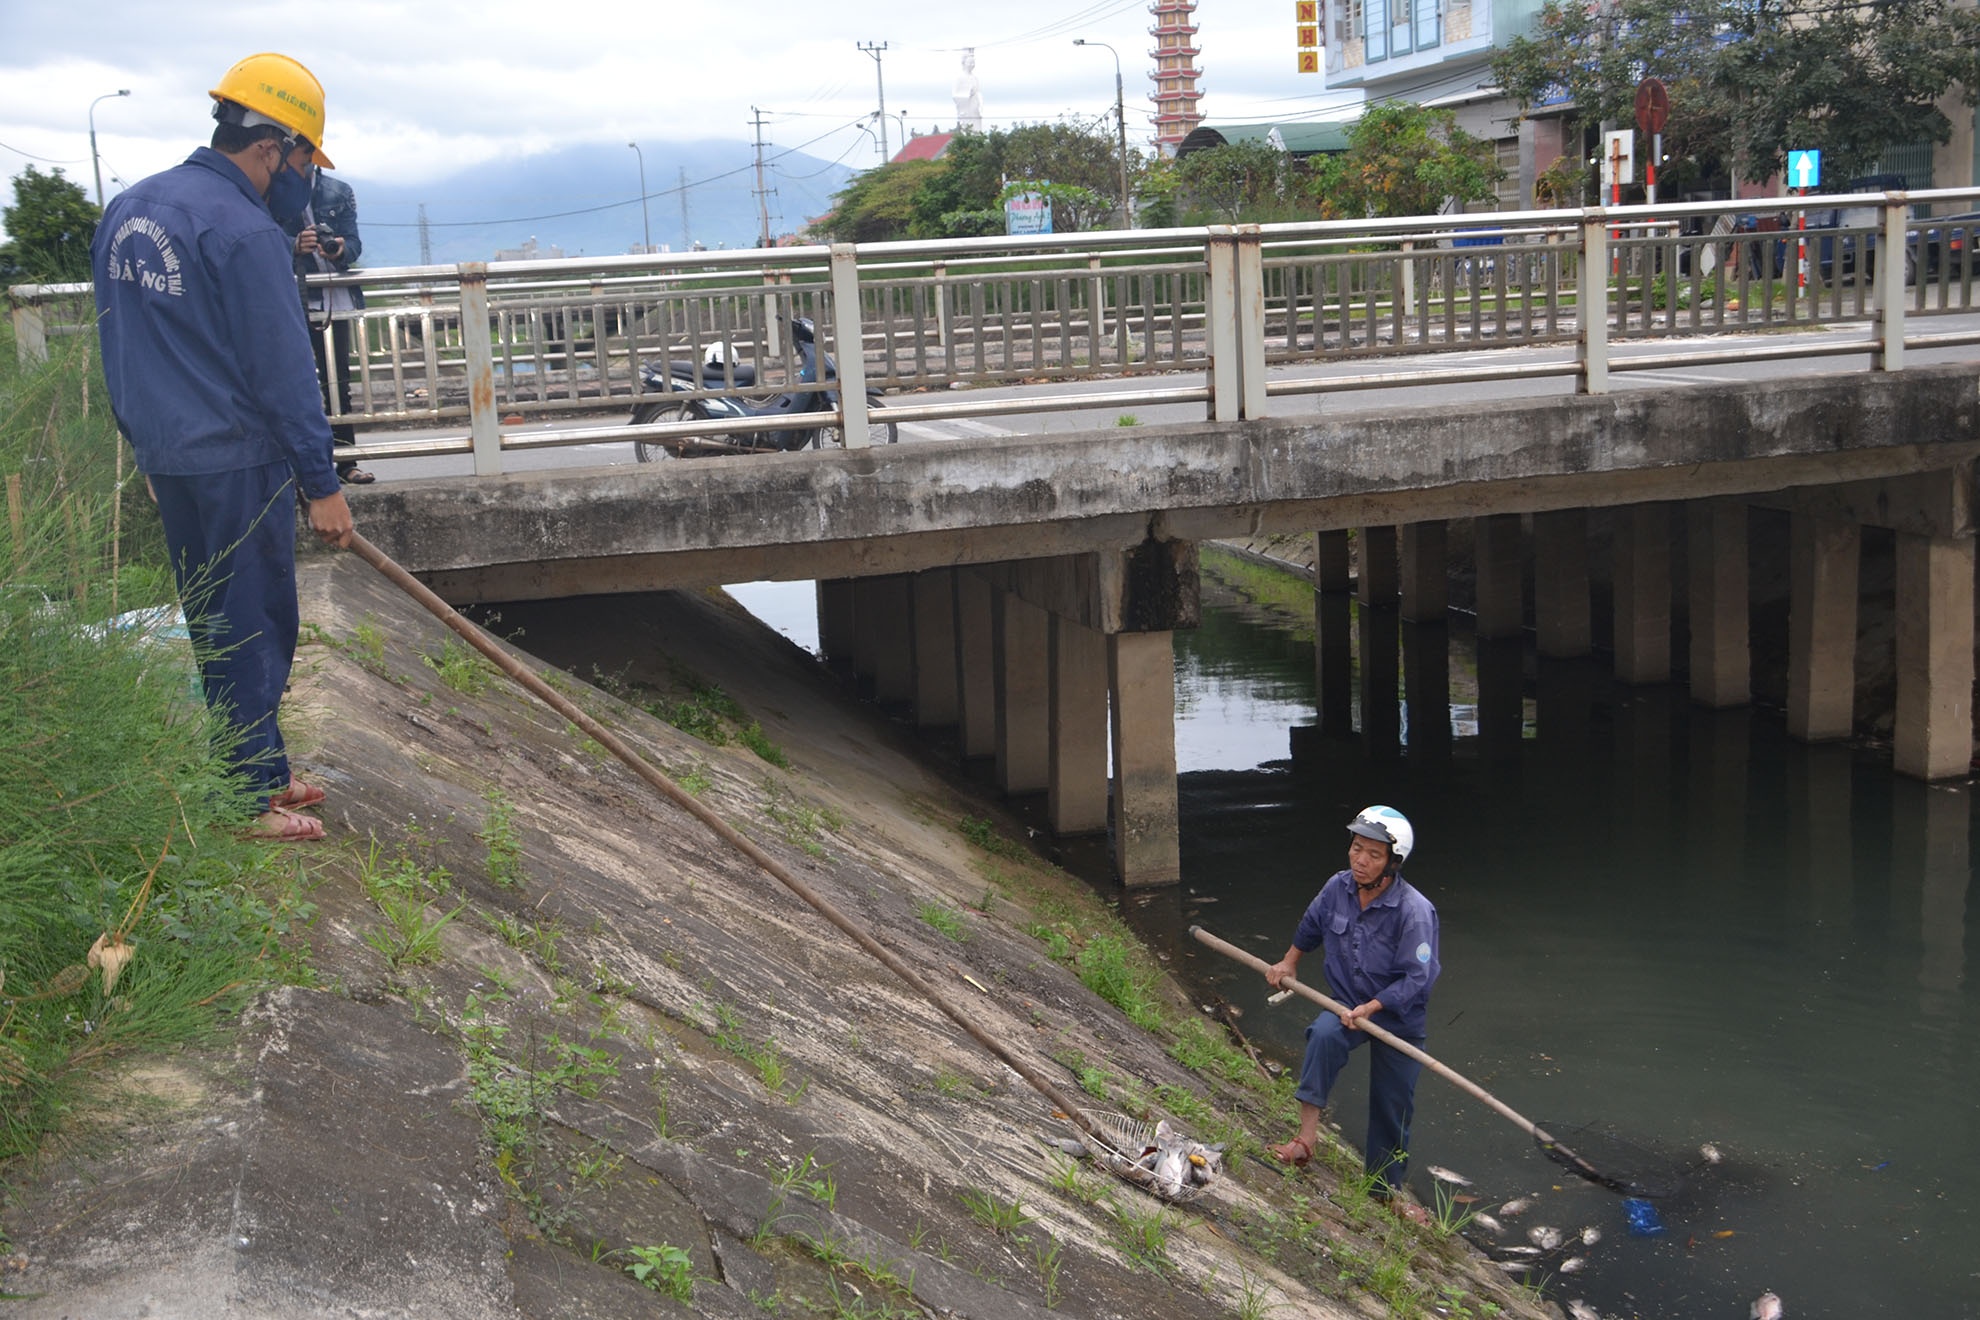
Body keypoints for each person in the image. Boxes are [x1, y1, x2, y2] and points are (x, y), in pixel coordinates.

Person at [91, 52, 355, 842]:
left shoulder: (130, 209)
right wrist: (322, 482)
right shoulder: (243, 231)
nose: (306, 175)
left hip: (173, 456)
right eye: (306, 157)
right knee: (254, 621)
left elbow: (118, 344)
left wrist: (142, 443)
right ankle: (245, 799)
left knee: (215, 618)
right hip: (237, 458)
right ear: (273, 145)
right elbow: (284, 373)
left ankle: (262, 769)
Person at [1265, 805, 1441, 1222]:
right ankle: (1306, 1141)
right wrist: (1289, 962)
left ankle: (1384, 1190)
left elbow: (1419, 977)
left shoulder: (1415, 911)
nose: (1360, 860)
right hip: (1344, 1004)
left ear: (1393, 863)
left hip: (1397, 1015)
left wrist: (1376, 1006)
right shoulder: (1337, 888)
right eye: (1356, 848)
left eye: (1374, 855)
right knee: (1323, 1037)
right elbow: (1310, 926)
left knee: (1393, 1102)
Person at [277, 144, 372, 483]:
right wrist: (292, 244)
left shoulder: (338, 191)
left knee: (338, 383)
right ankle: (301, 467)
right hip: (292, 298)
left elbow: (355, 246)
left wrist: (340, 250)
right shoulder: (272, 191)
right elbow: (262, 239)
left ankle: (346, 462)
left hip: (335, 298)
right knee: (293, 383)